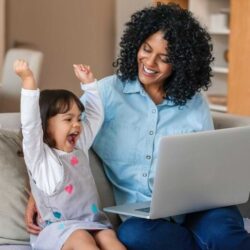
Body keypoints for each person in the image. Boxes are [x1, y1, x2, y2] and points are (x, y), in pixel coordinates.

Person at [25, 3, 250, 250]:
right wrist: (37, 194)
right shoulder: (106, 93)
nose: (150, 62)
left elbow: (211, 162)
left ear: (182, 63)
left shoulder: (195, 102)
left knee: (223, 231)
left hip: (199, 207)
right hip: (146, 218)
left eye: (164, 58)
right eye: (146, 49)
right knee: (133, 236)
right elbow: (58, 137)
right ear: (136, 44)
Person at [14, 60, 126, 250]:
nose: (77, 125)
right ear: (45, 127)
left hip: (93, 223)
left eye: (78, 119)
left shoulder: (79, 147)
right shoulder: (41, 159)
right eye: (68, 119)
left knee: (109, 237)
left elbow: (95, 116)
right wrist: (28, 81)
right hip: (59, 231)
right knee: (82, 238)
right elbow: (31, 125)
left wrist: (90, 85)